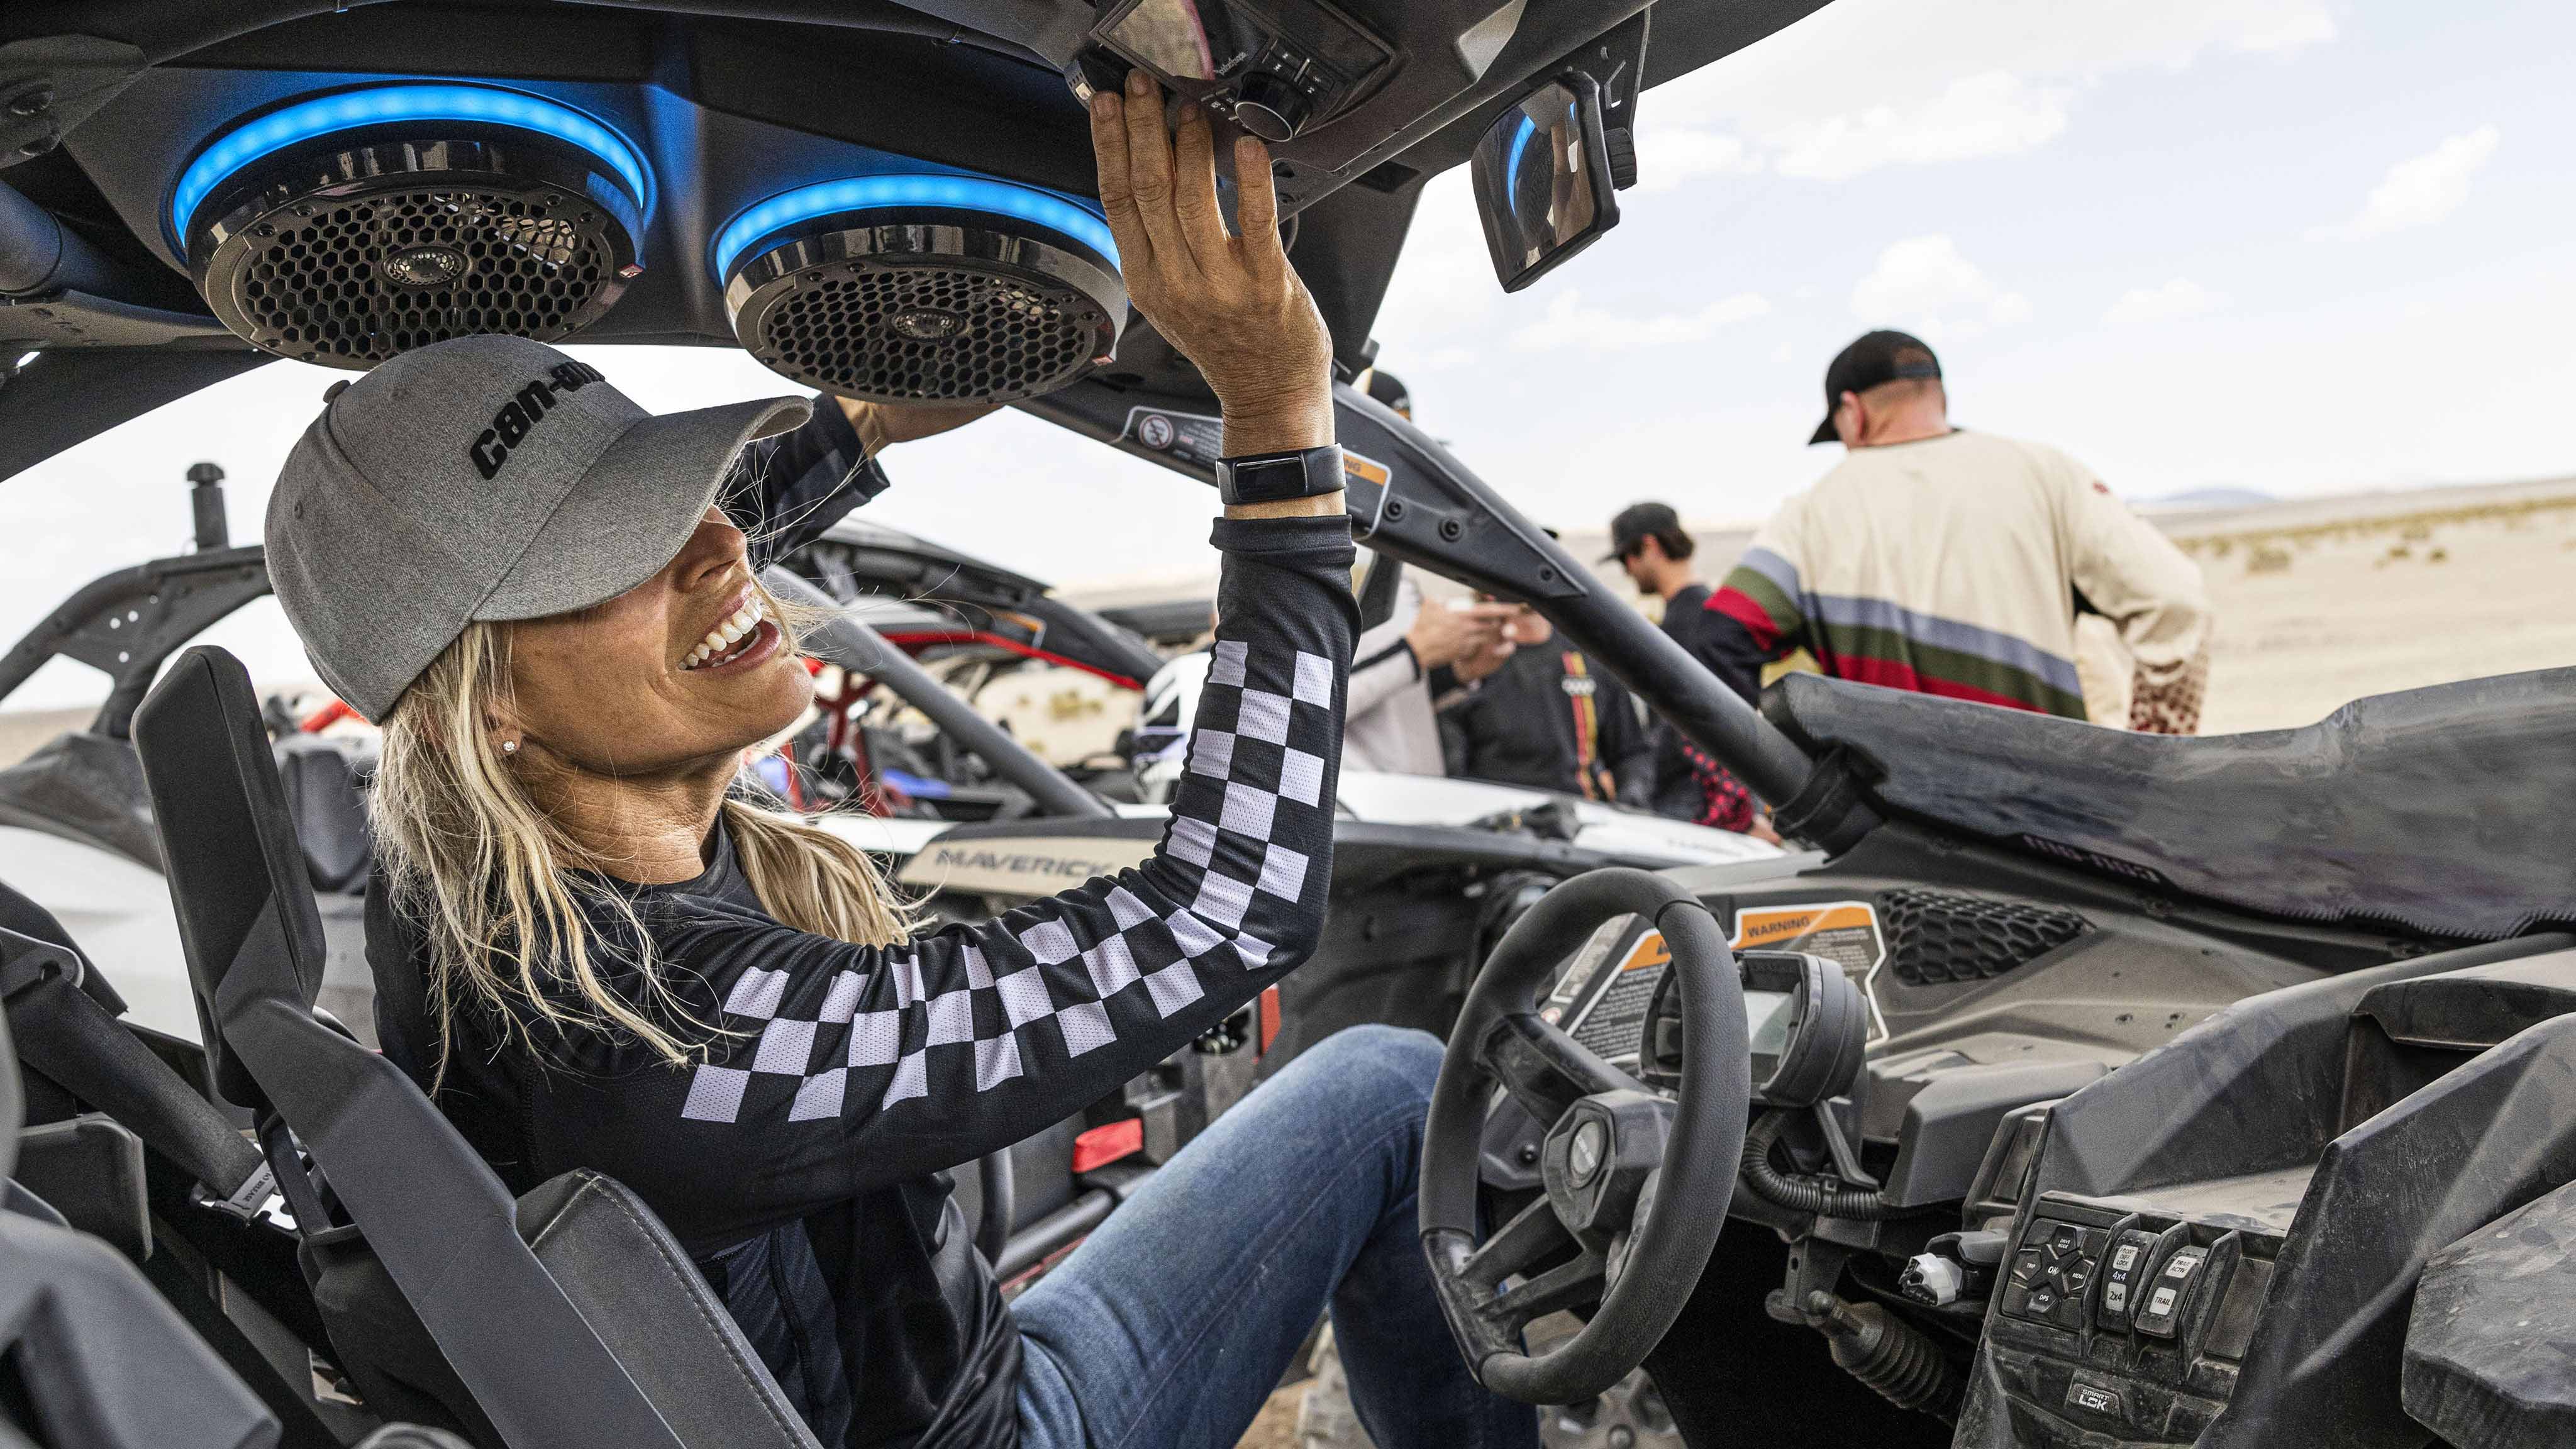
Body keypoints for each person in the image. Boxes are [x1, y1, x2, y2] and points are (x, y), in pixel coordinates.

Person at [262, 74, 1535, 1449]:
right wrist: (1283, 425)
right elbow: (1226, 907)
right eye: (617, 548)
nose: (717, 547)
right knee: (1395, 1090)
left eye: (675, 496)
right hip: (989, 1431)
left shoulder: (458, 865)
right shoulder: (674, 1040)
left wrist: (862, 421)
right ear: (480, 705)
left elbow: (647, 602)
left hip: (949, 1371)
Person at [1692, 330, 2212, 733]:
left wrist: (1777, 782)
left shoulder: (1810, 513)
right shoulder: (2046, 473)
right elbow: (2176, 603)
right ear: (1936, 395)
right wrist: (2148, 763)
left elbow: (1720, 640)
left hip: (1894, 828)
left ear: (1851, 413)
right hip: (2054, 819)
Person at [1344, 367, 1519, 775]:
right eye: (1385, 459)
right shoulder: (1287, 565)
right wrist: (1414, 652)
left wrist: (1456, 670)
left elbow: (1388, 709)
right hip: (1347, 815)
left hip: (1407, 811)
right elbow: (1291, 708)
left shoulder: (1393, 566)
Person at [1603, 502, 1762, 835]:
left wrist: (1740, 816)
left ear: (1650, 546)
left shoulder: (1688, 626)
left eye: (1626, 558)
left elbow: (1720, 724)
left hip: (1701, 802)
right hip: (1717, 796)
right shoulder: (1712, 616)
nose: (1627, 571)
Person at [1438, 600, 1653, 806]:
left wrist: (1630, 800)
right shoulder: (1466, 664)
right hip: (1498, 826)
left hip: (1579, 819)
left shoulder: (1588, 657)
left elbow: (1631, 753)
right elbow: (1450, 771)